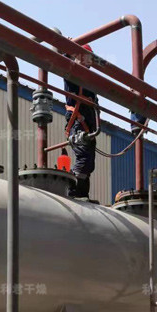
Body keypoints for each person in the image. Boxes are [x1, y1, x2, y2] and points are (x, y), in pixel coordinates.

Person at [64, 44, 98, 199]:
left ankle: (82, 194)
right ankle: (72, 191)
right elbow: (62, 62)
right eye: (83, 57)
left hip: (89, 125)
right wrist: (67, 51)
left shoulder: (90, 80)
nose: (86, 61)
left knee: (89, 162)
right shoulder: (71, 72)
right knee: (83, 158)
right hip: (78, 122)